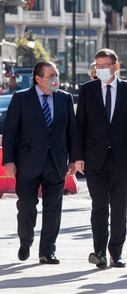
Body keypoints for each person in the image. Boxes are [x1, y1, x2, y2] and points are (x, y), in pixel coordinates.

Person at [73, 49, 127, 269]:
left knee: (119, 207)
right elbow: (79, 127)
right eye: (98, 65)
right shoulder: (87, 90)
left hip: (122, 158)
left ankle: (116, 253)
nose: (101, 69)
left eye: (105, 65)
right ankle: (99, 252)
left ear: (116, 67)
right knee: (99, 207)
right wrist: (77, 157)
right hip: (94, 158)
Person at [2, 61, 76, 264]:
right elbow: (10, 132)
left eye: (57, 75)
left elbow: (72, 131)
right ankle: (25, 240)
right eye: (51, 75)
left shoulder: (65, 98)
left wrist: (74, 159)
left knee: (53, 207)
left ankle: (47, 251)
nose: (55, 79)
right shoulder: (21, 98)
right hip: (27, 162)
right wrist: (8, 161)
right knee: (26, 205)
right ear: (38, 78)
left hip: (56, 162)